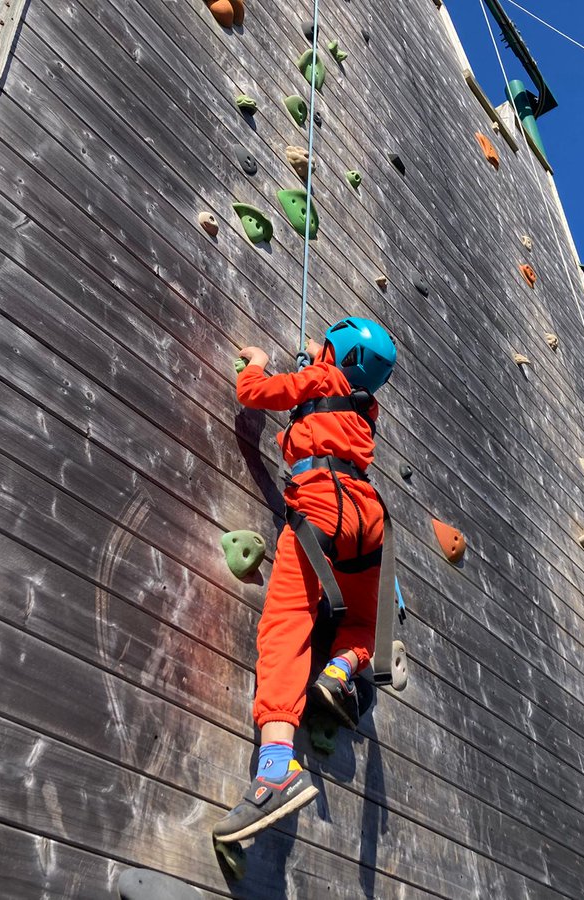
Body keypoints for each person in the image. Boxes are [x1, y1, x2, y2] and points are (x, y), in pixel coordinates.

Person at [212, 317, 397, 843]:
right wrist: (320, 360)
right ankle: (340, 669)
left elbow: (254, 392)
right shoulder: (366, 412)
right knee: (363, 621)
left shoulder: (323, 381)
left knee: (287, 624)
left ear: (335, 353)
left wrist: (257, 362)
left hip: (319, 508)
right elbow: (334, 391)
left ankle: (275, 770)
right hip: (368, 519)